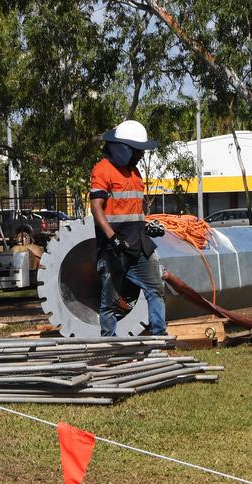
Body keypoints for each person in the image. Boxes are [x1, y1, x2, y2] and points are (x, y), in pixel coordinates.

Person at [89, 120, 167, 336]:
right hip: (115, 248)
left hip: (138, 243)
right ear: (124, 149)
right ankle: (110, 344)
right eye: (138, 151)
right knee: (110, 301)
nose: (141, 155)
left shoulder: (135, 173)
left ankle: (159, 337)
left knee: (156, 289)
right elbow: (96, 208)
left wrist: (146, 225)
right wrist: (112, 237)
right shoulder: (102, 170)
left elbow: (133, 209)